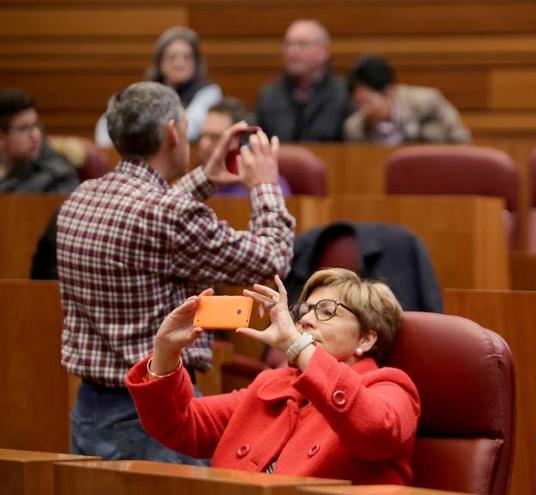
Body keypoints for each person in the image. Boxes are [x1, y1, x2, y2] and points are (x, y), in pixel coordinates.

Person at [58, 81, 295, 463]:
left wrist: (207, 177)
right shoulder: (166, 215)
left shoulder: (81, 196)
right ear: (173, 131)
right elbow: (272, 258)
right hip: (151, 417)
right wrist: (266, 186)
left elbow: (153, 214)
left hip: (89, 409)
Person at [126, 269, 420, 482]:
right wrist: (165, 350)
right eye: (303, 311)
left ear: (366, 340)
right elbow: (179, 424)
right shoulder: (274, 383)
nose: (305, 320)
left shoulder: (391, 387)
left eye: (326, 311)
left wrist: (297, 345)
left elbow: (375, 431)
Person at [95, 26, 222, 147]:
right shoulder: (147, 91)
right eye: (172, 57)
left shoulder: (208, 92)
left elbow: (189, 130)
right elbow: (108, 121)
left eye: (187, 57)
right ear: (160, 62)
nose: (179, 63)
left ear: (196, 62)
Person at [256, 19, 349, 142]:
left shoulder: (343, 94)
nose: (293, 51)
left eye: (302, 44)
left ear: (323, 51)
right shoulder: (268, 96)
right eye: (288, 44)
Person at [344, 55, 471, 144]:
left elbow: (461, 138)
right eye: (357, 104)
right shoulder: (354, 128)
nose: (363, 110)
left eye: (367, 102)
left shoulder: (427, 102)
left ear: (389, 91)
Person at [197, 97, 292, 196]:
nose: (204, 144)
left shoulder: (269, 186)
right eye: (201, 136)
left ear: (241, 142)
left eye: (215, 137)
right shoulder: (198, 187)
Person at [0, 88, 79, 193]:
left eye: (35, 125)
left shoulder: (58, 177)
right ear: (1, 137)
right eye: (24, 128)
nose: (35, 135)